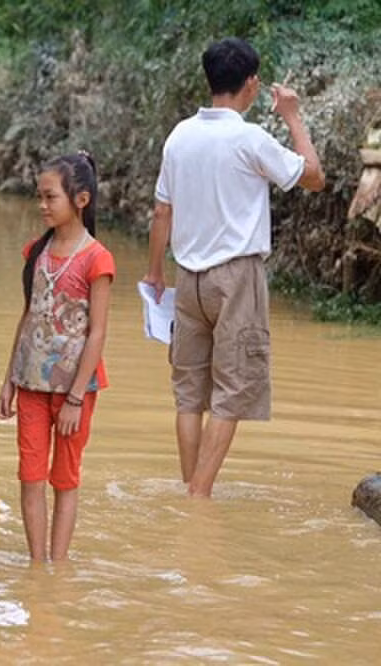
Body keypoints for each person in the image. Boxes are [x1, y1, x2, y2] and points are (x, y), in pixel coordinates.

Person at [141, 37, 325, 498]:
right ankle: (198, 497)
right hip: (237, 278)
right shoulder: (249, 138)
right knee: (231, 390)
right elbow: (315, 178)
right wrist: (293, 116)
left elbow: (161, 212)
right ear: (251, 83)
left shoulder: (179, 136)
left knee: (188, 392)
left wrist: (155, 273)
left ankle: (190, 487)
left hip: (188, 280)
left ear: (208, 79)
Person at [0, 153, 115, 562]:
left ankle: (57, 565)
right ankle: (37, 566)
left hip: (72, 391)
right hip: (30, 384)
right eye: (40, 197)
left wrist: (77, 398)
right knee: (30, 476)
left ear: (81, 199)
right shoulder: (36, 252)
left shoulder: (97, 259)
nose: (42, 205)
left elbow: (97, 332)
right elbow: (28, 315)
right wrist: (9, 378)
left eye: (50, 197)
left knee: (65, 478)